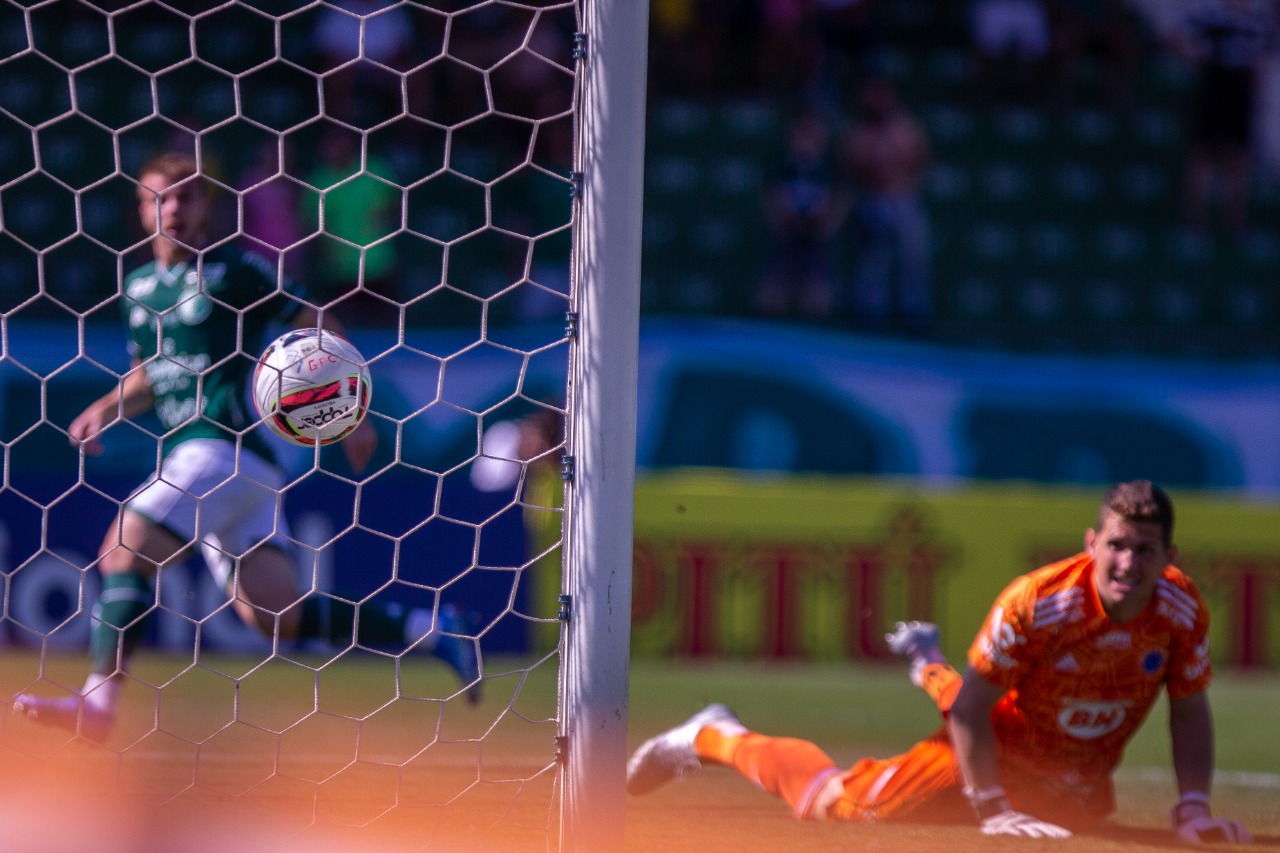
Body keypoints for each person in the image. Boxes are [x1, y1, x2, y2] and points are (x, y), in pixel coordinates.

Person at [12, 151, 480, 743]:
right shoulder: (138, 289)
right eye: (160, 197)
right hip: (226, 467)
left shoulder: (234, 270)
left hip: (222, 448)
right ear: (142, 209)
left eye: (186, 196)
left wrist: (352, 408)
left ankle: (98, 704)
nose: (173, 208)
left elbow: (315, 317)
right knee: (276, 615)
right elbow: (152, 374)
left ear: (206, 205)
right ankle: (433, 629)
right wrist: (104, 408)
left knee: (124, 552)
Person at [626, 481, 1251, 844]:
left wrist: (1194, 806)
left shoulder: (1181, 609)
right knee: (834, 803)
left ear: (1169, 555)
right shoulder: (1038, 602)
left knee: (1075, 814)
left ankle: (925, 658)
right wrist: (991, 805)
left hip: (1071, 778)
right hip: (985, 753)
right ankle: (715, 734)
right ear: (1092, 544)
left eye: (1145, 550)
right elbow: (974, 707)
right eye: (1116, 545)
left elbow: (1188, 707)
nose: (1128, 563)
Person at [842, 79, 932, 331]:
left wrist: (904, 178)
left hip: (905, 199)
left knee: (913, 259)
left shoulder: (907, 126)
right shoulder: (859, 131)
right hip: (872, 200)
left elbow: (924, 158)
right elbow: (849, 163)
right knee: (873, 262)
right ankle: (870, 317)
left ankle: (914, 317)